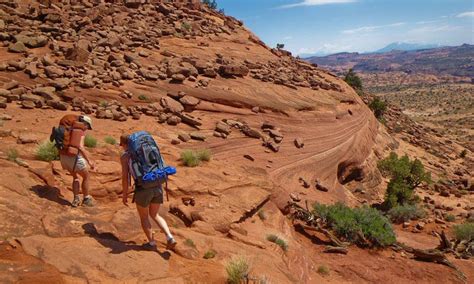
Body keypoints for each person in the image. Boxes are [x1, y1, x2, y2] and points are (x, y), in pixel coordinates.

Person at [120, 134, 177, 250]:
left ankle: (152, 243)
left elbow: (125, 178)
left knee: (144, 217)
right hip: (157, 185)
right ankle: (170, 237)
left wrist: (125, 194)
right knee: (155, 214)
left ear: (125, 144)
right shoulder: (147, 149)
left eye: (121, 144)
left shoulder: (126, 157)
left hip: (143, 189)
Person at [58, 114, 96, 207]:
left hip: (63, 156)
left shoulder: (69, 130)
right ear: (85, 123)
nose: (87, 128)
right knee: (86, 176)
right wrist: (89, 161)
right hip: (74, 158)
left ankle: (76, 199)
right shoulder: (79, 131)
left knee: (75, 177)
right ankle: (86, 198)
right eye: (87, 126)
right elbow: (81, 147)